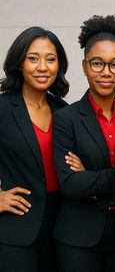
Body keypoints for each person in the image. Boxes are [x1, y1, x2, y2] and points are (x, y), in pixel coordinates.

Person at [52, 15, 115, 272]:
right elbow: (71, 185)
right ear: (85, 65)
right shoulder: (65, 118)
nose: (106, 73)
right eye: (97, 64)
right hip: (77, 238)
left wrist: (91, 179)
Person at [0, 26, 69, 272]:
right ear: (19, 63)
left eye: (50, 59)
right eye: (33, 58)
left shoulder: (64, 110)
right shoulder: (3, 108)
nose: (42, 67)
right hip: (15, 229)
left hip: (61, 227)